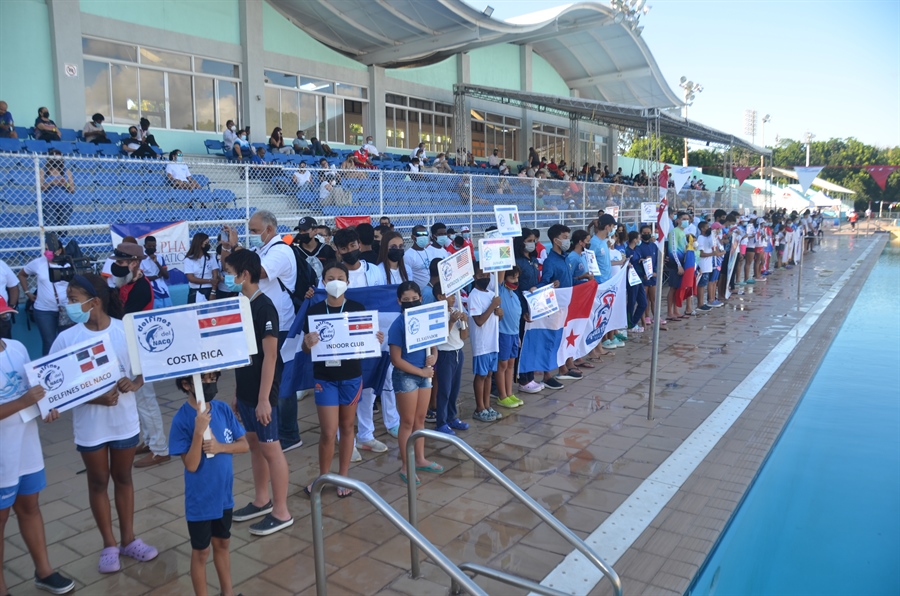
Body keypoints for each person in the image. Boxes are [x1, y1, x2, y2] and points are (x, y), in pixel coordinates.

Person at [50, 274, 158, 573]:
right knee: (98, 482)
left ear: (94, 302)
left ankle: (129, 540)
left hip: (124, 421)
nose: (68, 304)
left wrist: (135, 383)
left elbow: (147, 367)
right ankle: (109, 544)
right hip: (90, 426)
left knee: (123, 478)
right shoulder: (66, 339)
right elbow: (55, 391)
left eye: (73, 299)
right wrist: (94, 399)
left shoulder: (125, 331)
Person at [0, 307, 76, 595]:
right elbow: (23, 398)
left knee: (30, 508)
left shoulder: (17, 347)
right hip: (1, 455)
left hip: (26, 446)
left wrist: (46, 407)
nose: (5, 321)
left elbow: (37, 389)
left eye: (5, 315)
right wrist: (23, 402)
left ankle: (44, 571)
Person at [222, 250, 293, 535]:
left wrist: (264, 399)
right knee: (255, 444)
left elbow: (271, 357)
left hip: (265, 393)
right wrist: (240, 392)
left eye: (229, 272)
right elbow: (245, 355)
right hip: (248, 389)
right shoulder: (241, 304)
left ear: (244, 275)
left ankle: (281, 510)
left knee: (271, 448)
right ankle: (261, 499)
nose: (225, 277)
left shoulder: (264, 308)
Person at [222, 211, 304, 452]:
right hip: (259, 321)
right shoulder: (262, 251)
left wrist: (237, 248)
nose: (253, 235)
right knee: (263, 373)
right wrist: (231, 249)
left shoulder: (280, 251)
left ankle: (288, 433)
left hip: (279, 322)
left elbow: (255, 273)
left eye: (256, 231)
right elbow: (237, 269)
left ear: (270, 229)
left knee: (280, 381)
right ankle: (273, 428)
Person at [301, 262, 383, 498]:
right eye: (330, 277)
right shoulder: (315, 311)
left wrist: (375, 338)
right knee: (328, 431)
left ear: (348, 282)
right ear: (324, 282)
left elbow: (367, 341)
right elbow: (306, 350)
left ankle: (343, 477)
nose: (335, 281)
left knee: (347, 427)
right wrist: (307, 345)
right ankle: (324, 477)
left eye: (340, 277)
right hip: (324, 378)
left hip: (350, 376)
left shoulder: (358, 308)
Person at [170, 372, 248, 596]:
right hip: (201, 500)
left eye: (213, 378)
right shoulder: (181, 420)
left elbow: (243, 445)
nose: (210, 384)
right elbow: (192, 465)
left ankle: (228, 592)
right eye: (203, 380)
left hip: (224, 495)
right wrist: (198, 432)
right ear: (187, 384)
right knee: (201, 552)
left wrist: (221, 446)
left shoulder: (222, 409)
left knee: (223, 544)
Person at [389, 281, 442, 485]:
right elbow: (396, 359)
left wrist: (434, 357)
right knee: (407, 422)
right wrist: (420, 370)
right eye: (406, 300)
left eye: (414, 299)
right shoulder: (398, 324)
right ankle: (405, 465)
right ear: (399, 301)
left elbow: (434, 344)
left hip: (424, 374)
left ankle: (419, 458)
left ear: (421, 298)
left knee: (420, 419)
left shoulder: (426, 318)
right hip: (407, 376)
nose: (411, 303)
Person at [18, 244, 72, 355]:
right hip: (44, 311)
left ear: (59, 250)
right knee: (49, 343)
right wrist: (27, 292)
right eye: (46, 249)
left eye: (49, 249)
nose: (46, 252)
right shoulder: (38, 263)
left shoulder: (68, 264)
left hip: (66, 309)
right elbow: (22, 274)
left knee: (66, 342)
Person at [468, 267, 502, 421]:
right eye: (482, 275)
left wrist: (500, 313)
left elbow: (496, 318)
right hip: (481, 342)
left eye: (487, 275)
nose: (485, 277)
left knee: (489, 374)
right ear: (475, 277)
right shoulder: (473, 296)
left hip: (493, 341)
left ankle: (487, 405)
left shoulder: (491, 294)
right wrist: (493, 306)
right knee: (481, 375)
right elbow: (479, 321)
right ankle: (479, 407)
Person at [513, 231, 542, 395]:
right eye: (529, 241)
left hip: (534, 306)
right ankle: (522, 379)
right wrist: (523, 309)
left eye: (534, 241)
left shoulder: (533, 260)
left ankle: (530, 376)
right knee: (522, 345)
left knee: (531, 343)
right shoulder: (518, 262)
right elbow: (515, 287)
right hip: (523, 308)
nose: (532, 243)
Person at [496, 267, 524, 410]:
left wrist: (518, 335)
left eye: (517, 278)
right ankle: (502, 396)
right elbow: (501, 274)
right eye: (512, 278)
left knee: (511, 364)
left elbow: (516, 318)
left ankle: (509, 392)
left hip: (513, 334)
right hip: (503, 333)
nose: (516, 281)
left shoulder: (514, 294)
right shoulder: (500, 290)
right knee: (503, 365)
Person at [40, 149, 75, 228]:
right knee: (51, 226)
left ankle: (61, 240)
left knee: (63, 227)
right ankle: (52, 240)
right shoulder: (44, 171)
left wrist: (65, 184)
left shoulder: (66, 171)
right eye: (55, 158)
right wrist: (52, 182)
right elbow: (41, 188)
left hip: (65, 203)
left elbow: (72, 190)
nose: (57, 160)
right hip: (49, 203)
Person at [184, 233, 219, 304]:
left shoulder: (211, 257)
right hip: (195, 292)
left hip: (209, 290)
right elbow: (191, 278)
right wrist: (209, 281)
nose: (208, 245)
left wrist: (213, 291)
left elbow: (215, 275)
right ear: (199, 243)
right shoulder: (188, 259)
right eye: (206, 243)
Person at [140, 235, 172, 308]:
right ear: (145, 246)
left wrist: (156, 262)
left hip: (163, 289)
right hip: (149, 289)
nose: (152, 248)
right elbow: (142, 277)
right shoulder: (141, 259)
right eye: (149, 246)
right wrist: (157, 276)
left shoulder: (159, 257)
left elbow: (166, 276)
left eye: (154, 246)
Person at [0, 259, 19, 340]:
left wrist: (11, 307)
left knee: (6, 343)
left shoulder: (1, 264)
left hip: (2, 313)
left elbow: (13, 287)